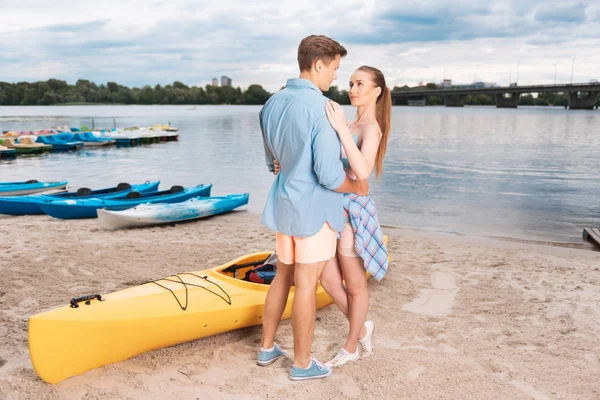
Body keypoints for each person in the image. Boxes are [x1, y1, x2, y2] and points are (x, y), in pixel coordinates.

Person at [257, 35, 368, 381]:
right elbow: (330, 176)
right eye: (335, 69)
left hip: (284, 206)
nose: (336, 77)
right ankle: (303, 365)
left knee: (283, 278)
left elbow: (272, 162)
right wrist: (356, 186)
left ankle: (266, 348)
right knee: (306, 285)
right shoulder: (321, 109)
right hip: (314, 212)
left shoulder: (270, 105)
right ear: (318, 64)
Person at [272, 65, 391, 368]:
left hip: (352, 212)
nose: (352, 89)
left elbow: (362, 170)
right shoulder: (349, 123)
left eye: (360, 84)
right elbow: (323, 161)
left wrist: (339, 128)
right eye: (351, 83)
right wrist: (285, 163)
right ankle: (363, 328)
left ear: (376, 91)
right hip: (330, 207)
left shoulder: (370, 128)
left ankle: (351, 345)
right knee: (327, 278)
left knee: (354, 284)